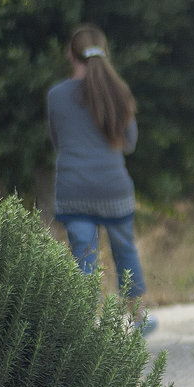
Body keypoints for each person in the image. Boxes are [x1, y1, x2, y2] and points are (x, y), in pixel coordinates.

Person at [47, 24, 156, 335]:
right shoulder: (119, 93)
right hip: (114, 188)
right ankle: (138, 318)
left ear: (70, 54)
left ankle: (84, 327)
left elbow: (59, 143)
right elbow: (131, 143)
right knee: (125, 250)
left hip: (74, 189)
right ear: (105, 53)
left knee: (84, 256)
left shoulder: (56, 97)